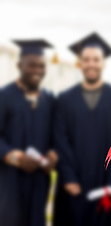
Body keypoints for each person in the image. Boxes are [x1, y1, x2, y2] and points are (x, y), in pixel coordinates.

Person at [54, 32, 111, 226]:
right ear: (80, 63)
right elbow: (59, 140)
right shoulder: (64, 100)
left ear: (103, 63)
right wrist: (68, 178)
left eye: (96, 59)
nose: (91, 64)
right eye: (86, 59)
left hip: (107, 187)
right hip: (74, 186)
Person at [0, 39, 58, 226]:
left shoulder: (48, 99)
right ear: (19, 65)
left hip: (39, 180)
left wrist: (52, 155)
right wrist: (14, 157)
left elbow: (55, 135)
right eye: (32, 65)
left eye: (41, 66)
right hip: (10, 180)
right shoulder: (4, 96)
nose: (37, 71)